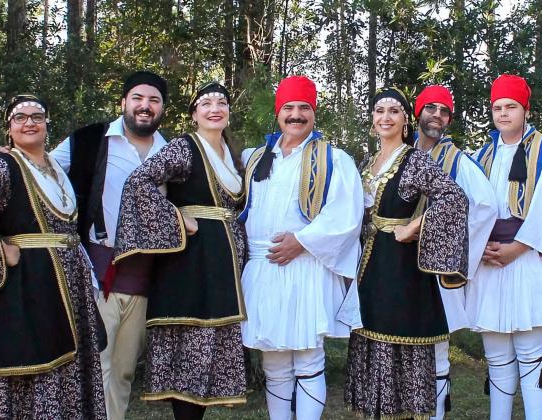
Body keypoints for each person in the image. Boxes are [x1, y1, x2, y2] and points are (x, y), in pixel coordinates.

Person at [113, 82, 247, 420]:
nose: (214, 108)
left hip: (222, 267)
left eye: (221, 102)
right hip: (191, 266)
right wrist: (175, 217)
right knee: (191, 353)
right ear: (194, 114)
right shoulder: (185, 147)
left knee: (208, 358)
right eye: (205, 103)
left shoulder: (233, 156)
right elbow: (139, 181)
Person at [239, 75, 363, 419]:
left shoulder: (334, 159)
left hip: (306, 266)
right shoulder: (255, 157)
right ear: (278, 113)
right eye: (289, 108)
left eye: (304, 108)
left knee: (308, 356)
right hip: (262, 267)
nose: (296, 115)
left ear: (314, 112)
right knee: (273, 358)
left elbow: (347, 214)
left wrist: (302, 241)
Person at [0, 94, 106, 419]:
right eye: (20, 117)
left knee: (69, 366)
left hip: (67, 288)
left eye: (37, 116)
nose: (29, 122)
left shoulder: (54, 168)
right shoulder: (3, 166)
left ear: (48, 124)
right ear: (9, 128)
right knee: (36, 367)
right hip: (27, 291)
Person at [343, 87, 469, 419]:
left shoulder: (413, 160)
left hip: (401, 269)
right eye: (379, 110)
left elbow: (453, 198)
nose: (386, 117)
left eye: (394, 111)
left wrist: (413, 228)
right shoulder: (367, 162)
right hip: (370, 265)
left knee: (398, 339)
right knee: (370, 338)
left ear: (405, 120)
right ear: (372, 119)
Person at [465, 74, 542, 420]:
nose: (503, 114)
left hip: (529, 257)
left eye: (511, 107)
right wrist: (480, 243)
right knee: (496, 353)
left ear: (525, 110)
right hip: (489, 261)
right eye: (498, 107)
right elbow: (468, 205)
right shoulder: (480, 155)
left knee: (532, 351)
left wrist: (518, 246)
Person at [413, 85, 497, 419]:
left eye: (444, 111)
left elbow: (484, 206)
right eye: (430, 108)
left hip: (435, 264)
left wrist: (450, 249)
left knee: (436, 345)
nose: (437, 115)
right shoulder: (400, 153)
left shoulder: (457, 160)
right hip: (399, 263)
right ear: (417, 112)